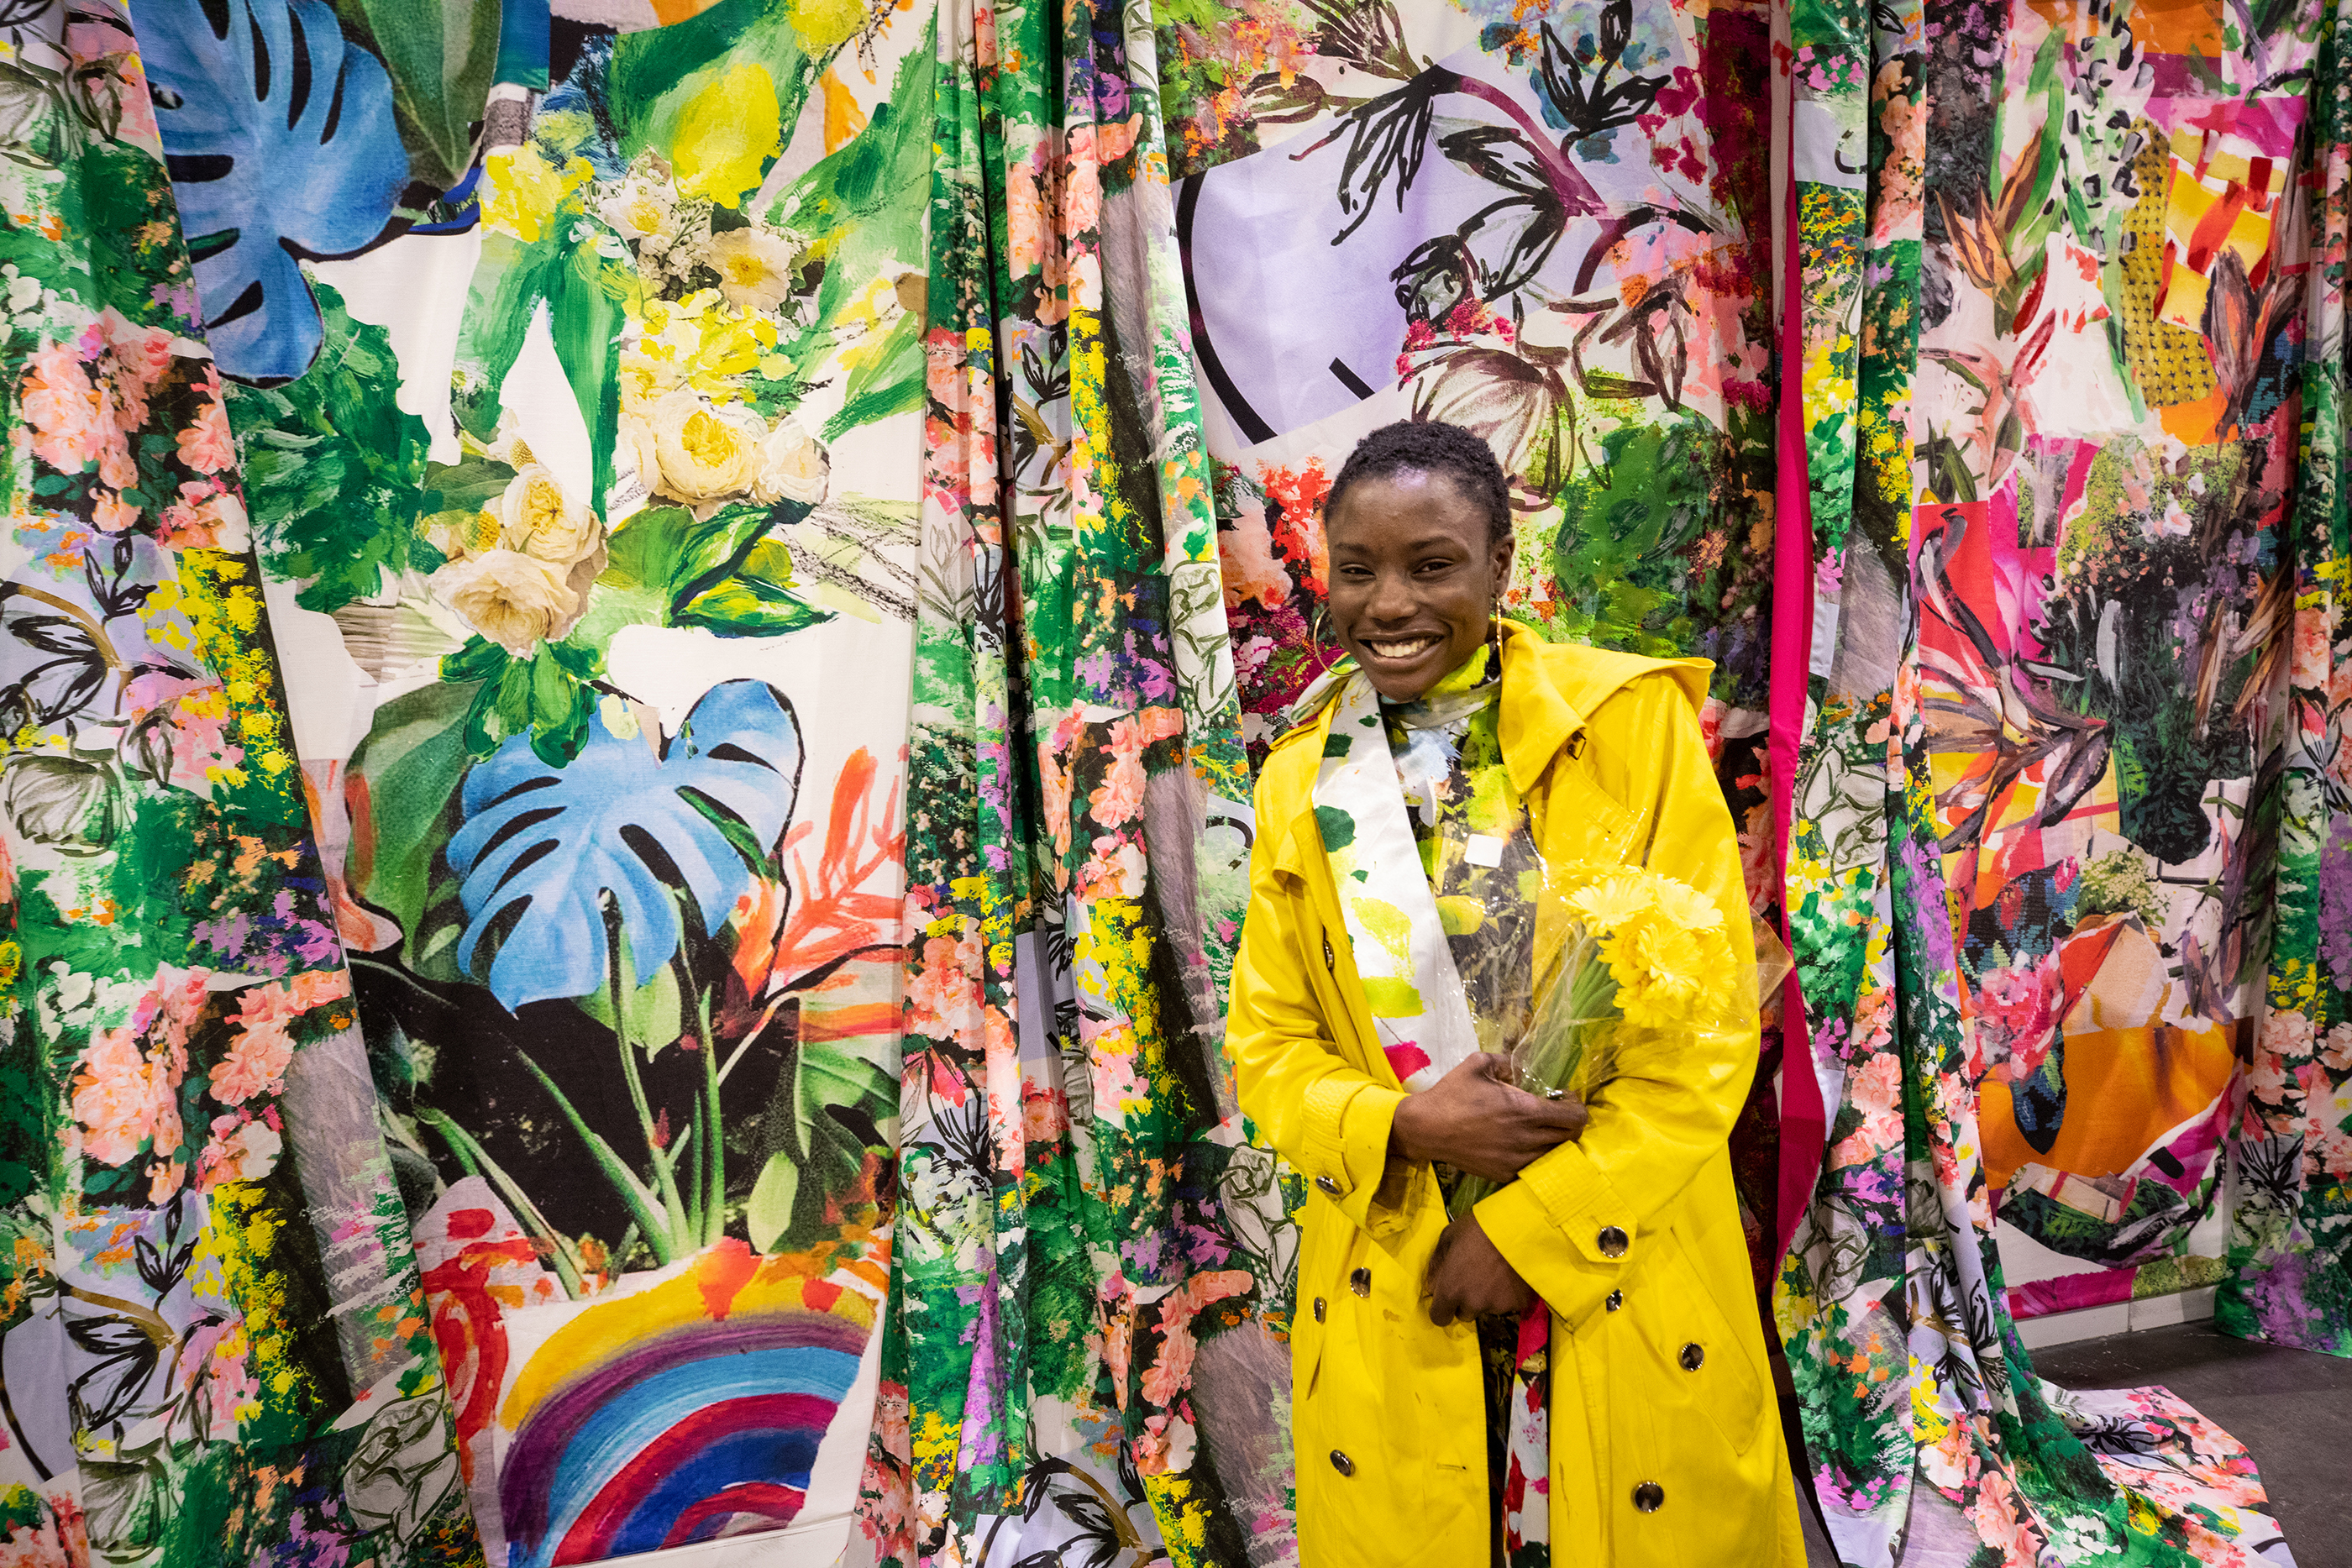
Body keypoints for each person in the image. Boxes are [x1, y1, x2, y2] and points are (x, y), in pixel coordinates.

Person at [1225, 420, 1803, 1565]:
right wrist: (1402, 1119)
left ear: (1499, 564)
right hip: (1402, 1263)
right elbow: (1270, 1048)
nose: (1389, 605)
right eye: (1358, 570)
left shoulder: (1626, 729)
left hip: (1608, 1257)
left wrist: (1533, 1234)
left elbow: (1705, 1029)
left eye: (1431, 565)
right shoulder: (1299, 778)